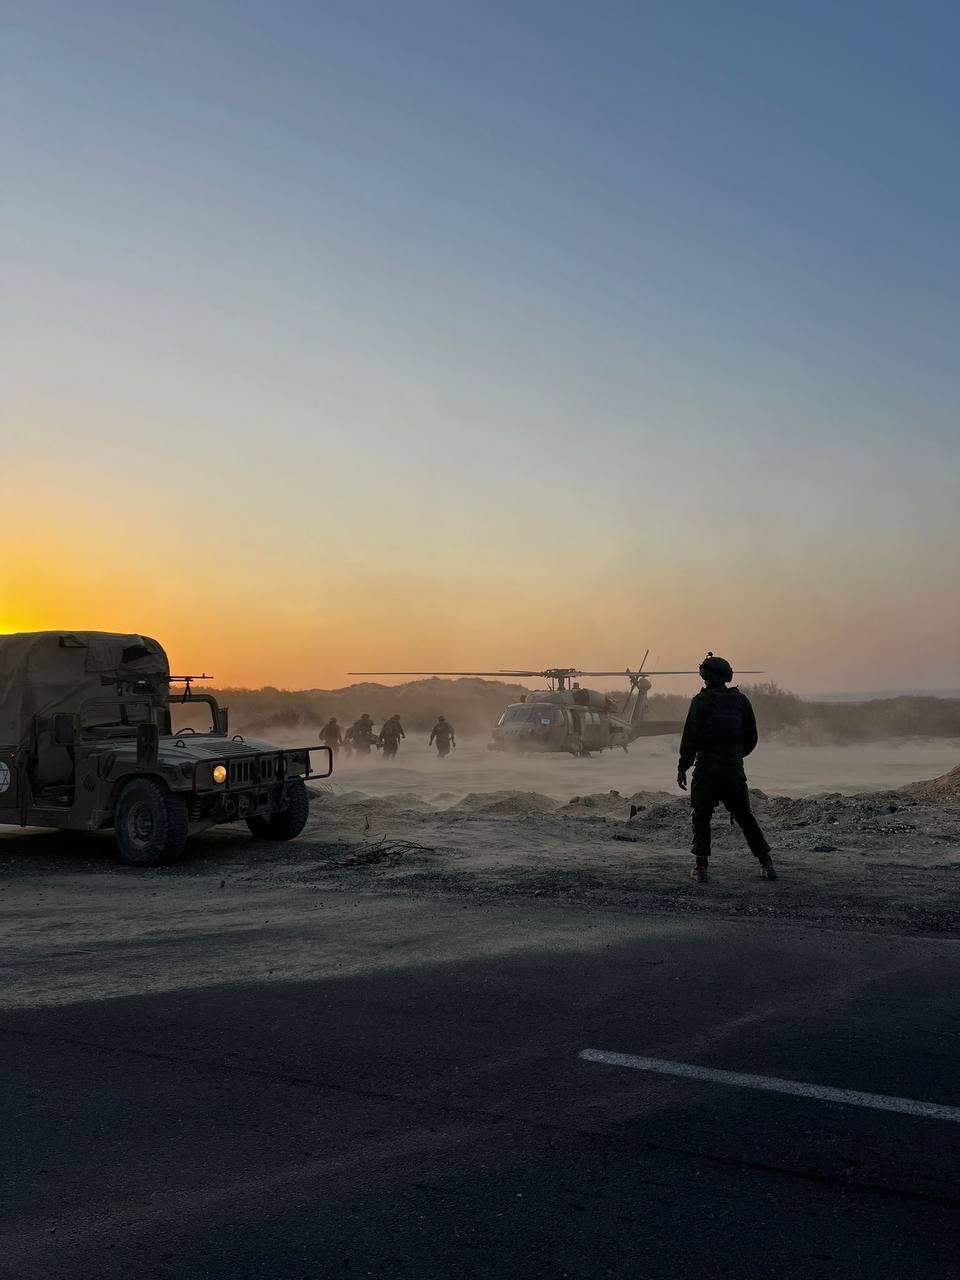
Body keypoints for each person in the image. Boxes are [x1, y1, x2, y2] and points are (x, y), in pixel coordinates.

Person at [677, 653, 775, 883]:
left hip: (707, 768)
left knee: (701, 816)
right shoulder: (741, 701)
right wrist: (735, 757)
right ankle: (766, 862)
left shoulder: (700, 702)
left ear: (706, 676)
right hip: (733, 768)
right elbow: (751, 737)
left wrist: (683, 767)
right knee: (745, 816)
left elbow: (689, 738)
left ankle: (701, 867)